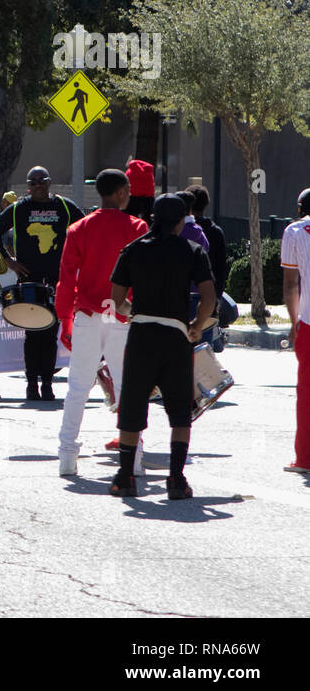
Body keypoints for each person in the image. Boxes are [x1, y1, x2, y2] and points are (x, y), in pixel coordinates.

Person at [107, 193, 215, 499]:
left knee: (132, 405)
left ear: (154, 218)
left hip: (142, 335)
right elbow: (209, 297)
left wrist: (133, 314)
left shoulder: (132, 250)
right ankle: (177, 480)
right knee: (181, 411)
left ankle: (125, 477)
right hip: (175, 337)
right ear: (181, 221)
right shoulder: (192, 250)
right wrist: (195, 327)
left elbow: (116, 298)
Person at [53, 169, 148, 477]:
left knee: (78, 387)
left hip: (87, 314)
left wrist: (64, 319)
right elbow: (142, 278)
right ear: (120, 193)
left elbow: (66, 281)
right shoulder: (137, 227)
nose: (130, 193)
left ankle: (67, 455)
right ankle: (133, 459)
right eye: (128, 189)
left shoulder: (78, 228)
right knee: (127, 388)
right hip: (123, 314)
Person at [0, 166, 84, 400]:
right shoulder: (18, 209)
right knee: (33, 333)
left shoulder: (64, 206)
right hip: (29, 280)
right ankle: (32, 384)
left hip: (57, 280)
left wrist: (76, 261)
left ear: (49, 182)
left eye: (41, 181)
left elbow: (85, 230)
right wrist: (11, 263)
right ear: (28, 185)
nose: (37, 186)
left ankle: (47, 384)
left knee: (51, 333)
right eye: (32, 182)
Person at [281, 188, 310, 475]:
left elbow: (291, 284)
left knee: (307, 391)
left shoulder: (295, 231)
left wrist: (293, 322)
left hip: (309, 321)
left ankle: (304, 458)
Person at [188, 185, 228, 297]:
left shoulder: (180, 229)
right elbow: (221, 269)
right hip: (209, 294)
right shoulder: (216, 232)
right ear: (206, 203)